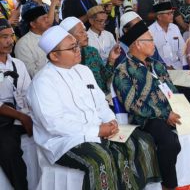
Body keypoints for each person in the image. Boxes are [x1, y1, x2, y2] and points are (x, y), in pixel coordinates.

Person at [30, 26, 160, 190]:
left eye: (77, 45)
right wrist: (96, 131)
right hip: (64, 141)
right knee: (103, 158)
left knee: (142, 141)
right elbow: (54, 124)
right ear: (54, 55)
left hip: (100, 130)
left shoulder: (84, 71)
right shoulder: (42, 82)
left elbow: (100, 103)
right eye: (72, 48)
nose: (78, 50)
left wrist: (111, 121)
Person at [113, 20, 190, 186]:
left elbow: (174, 92)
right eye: (150, 40)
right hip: (147, 119)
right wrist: (165, 115)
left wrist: (188, 111)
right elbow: (133, 105)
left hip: (172, 113)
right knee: (169, 142)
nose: (153, 43)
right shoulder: (123, 71)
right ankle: (169, 184)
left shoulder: (157, 66)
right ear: (138, 45)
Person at [0, 19, 32, 190]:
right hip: (3, 119)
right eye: (3, 37)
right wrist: (22, 117)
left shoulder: (17, 64)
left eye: (11, 36)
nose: (9, 41)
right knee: (9, 149)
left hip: (21, 113)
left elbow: (28, 93)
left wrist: (29, 115)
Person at [62, 17, 120, 96]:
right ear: (68, 37)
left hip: (103, 97)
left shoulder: (92, 51)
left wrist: (111, 59)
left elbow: (104, 77)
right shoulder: (63, 61)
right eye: (81, 32)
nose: (86, 34)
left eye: (85, 30)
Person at [148, 2, 186, 70]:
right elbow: (150, 57)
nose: (172, 15)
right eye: (168, 13)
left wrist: (186, 67)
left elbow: (182, 49)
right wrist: (164, 67)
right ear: (159, 16)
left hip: (178, 66)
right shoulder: (150, 31)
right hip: (161, 70)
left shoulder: (175, 28)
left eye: (172, 13)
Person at [15, 5, 50, 77]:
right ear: (33, 24)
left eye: (47, 17)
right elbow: (31, 73)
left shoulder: (52, 35)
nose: (47, 20)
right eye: (43, 18)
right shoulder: (23, 44)